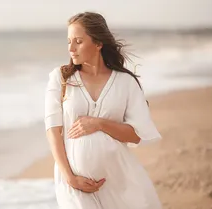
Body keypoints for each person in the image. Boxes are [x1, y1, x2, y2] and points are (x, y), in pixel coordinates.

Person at [44, 11, 163, 209]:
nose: (71, 49)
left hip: (120, 181)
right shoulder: (61, 78)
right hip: (74, 184)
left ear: (98, 44)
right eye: (69, 41)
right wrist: (70, 178)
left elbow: (136, 135)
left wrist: (99, 124)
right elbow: (53, 131)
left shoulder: (125, 83)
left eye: (78, 41)